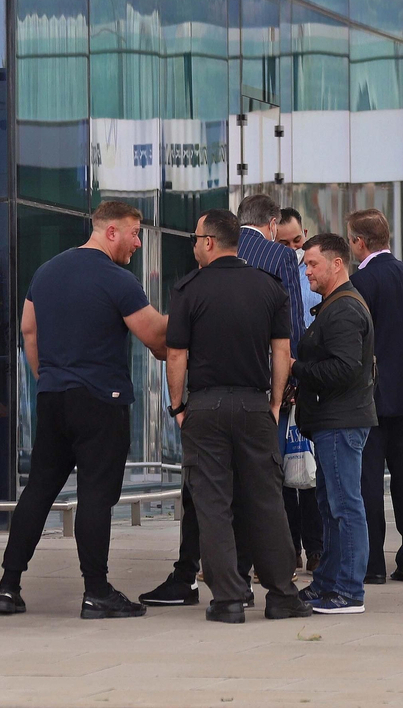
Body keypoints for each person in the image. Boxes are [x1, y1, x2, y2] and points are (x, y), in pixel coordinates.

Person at [0, 202, 167, 619]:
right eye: (134, 233)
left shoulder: (46, 272)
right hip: (100, 401)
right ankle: (96, 591)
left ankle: (8, 585)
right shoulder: (117, 279)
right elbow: (155, 339)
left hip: (53, 398)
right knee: (95, 495)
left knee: (38, 490)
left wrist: (47, 377)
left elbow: (28, 329)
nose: (138, 242)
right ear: (111, 232)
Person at [140, 193, 309, 605]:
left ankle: (230, 598)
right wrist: (272, 404)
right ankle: (283, 593)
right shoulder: (269, 287)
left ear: (211, 242)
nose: (194, 245)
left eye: (196, 238)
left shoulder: (188, 289)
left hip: (207, 406)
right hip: (255, 406)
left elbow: (175, 355)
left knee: (212, 501)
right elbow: (282, 351)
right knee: (266, 500)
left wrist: (178, 406)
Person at [293, 233, 378, 615]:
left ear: (337, 264)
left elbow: (345, 368)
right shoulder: (335, 305)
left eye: (312, 264)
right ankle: (327, 583)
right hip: (332, 419)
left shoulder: (343, 309)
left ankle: (347, 590)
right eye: (306, 264)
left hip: (340, 421)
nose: (306, 271)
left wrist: (296, 370)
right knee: (330, 506)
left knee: (344, 506)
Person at [347, 208, 403, 584]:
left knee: (368, 479)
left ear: (360, 243)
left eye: (351, 241)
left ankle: (372, 565)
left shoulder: (360, 281)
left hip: (371, 392)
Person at [276, 206, 324, 570]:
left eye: (298, 240)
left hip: (309, 382)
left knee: (310, 472)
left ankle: (316, 548)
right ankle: (290, 547)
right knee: (283, 475)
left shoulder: (316, 272)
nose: (294, 248)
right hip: (283, 384)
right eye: (285, 242)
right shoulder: (277, 273)